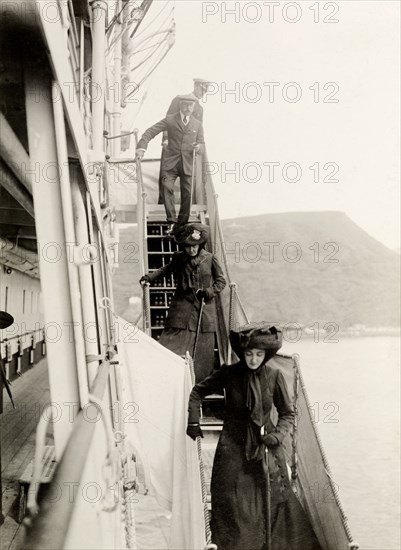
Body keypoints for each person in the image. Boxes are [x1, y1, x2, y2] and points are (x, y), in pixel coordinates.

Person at [186, 323, 323, 550]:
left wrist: (277, 436)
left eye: (259, 354)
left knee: (274, 497)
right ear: (243, 354)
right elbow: (197, 392)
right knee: (231, 498)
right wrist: (193, 421)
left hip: (266, 444)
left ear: (266, 355)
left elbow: (288, 413)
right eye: (249, 354)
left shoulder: (274, 376)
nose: (253, 359)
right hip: (233, 443)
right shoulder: (229, 374)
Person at [140, 223, 226, 382]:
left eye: (195, 246)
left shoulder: (211, 259)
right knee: (170, 346)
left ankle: (197, 386)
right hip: (181, 309)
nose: (191, 250)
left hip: (203, 311)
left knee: (202, 353)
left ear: (200, 244)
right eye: (187, 247)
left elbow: (221, 282)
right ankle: (166, 379)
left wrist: (208, 292)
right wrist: (150, 278)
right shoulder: (178, 258)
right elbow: (166, 270)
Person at [136, 94, 205, 235]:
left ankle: (182, 224)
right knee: (167, 188)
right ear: (180, 105)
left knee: (188, 193)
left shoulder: (197, 124)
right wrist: (141, 147)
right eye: (185, 105)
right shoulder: (170, 120)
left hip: (187, 163)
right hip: (170, 163)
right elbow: (150, 132)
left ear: (194, 107)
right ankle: (172, 221)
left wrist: (199, 147)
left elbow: (202, 143)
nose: (187, 108)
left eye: (190, 105)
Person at [157, 78, 212, 205]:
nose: (203, 93)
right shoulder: (179, 99)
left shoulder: (200, 109)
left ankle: (188, 206)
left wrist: (198, 144)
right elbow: (168, 119)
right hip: (172, 144)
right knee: (166, 176)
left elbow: (199, 127)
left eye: (206, 91)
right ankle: (163, 204)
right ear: (196, 86)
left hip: (188, 148)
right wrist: (165, 139)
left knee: (188, 179)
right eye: (202, 89)